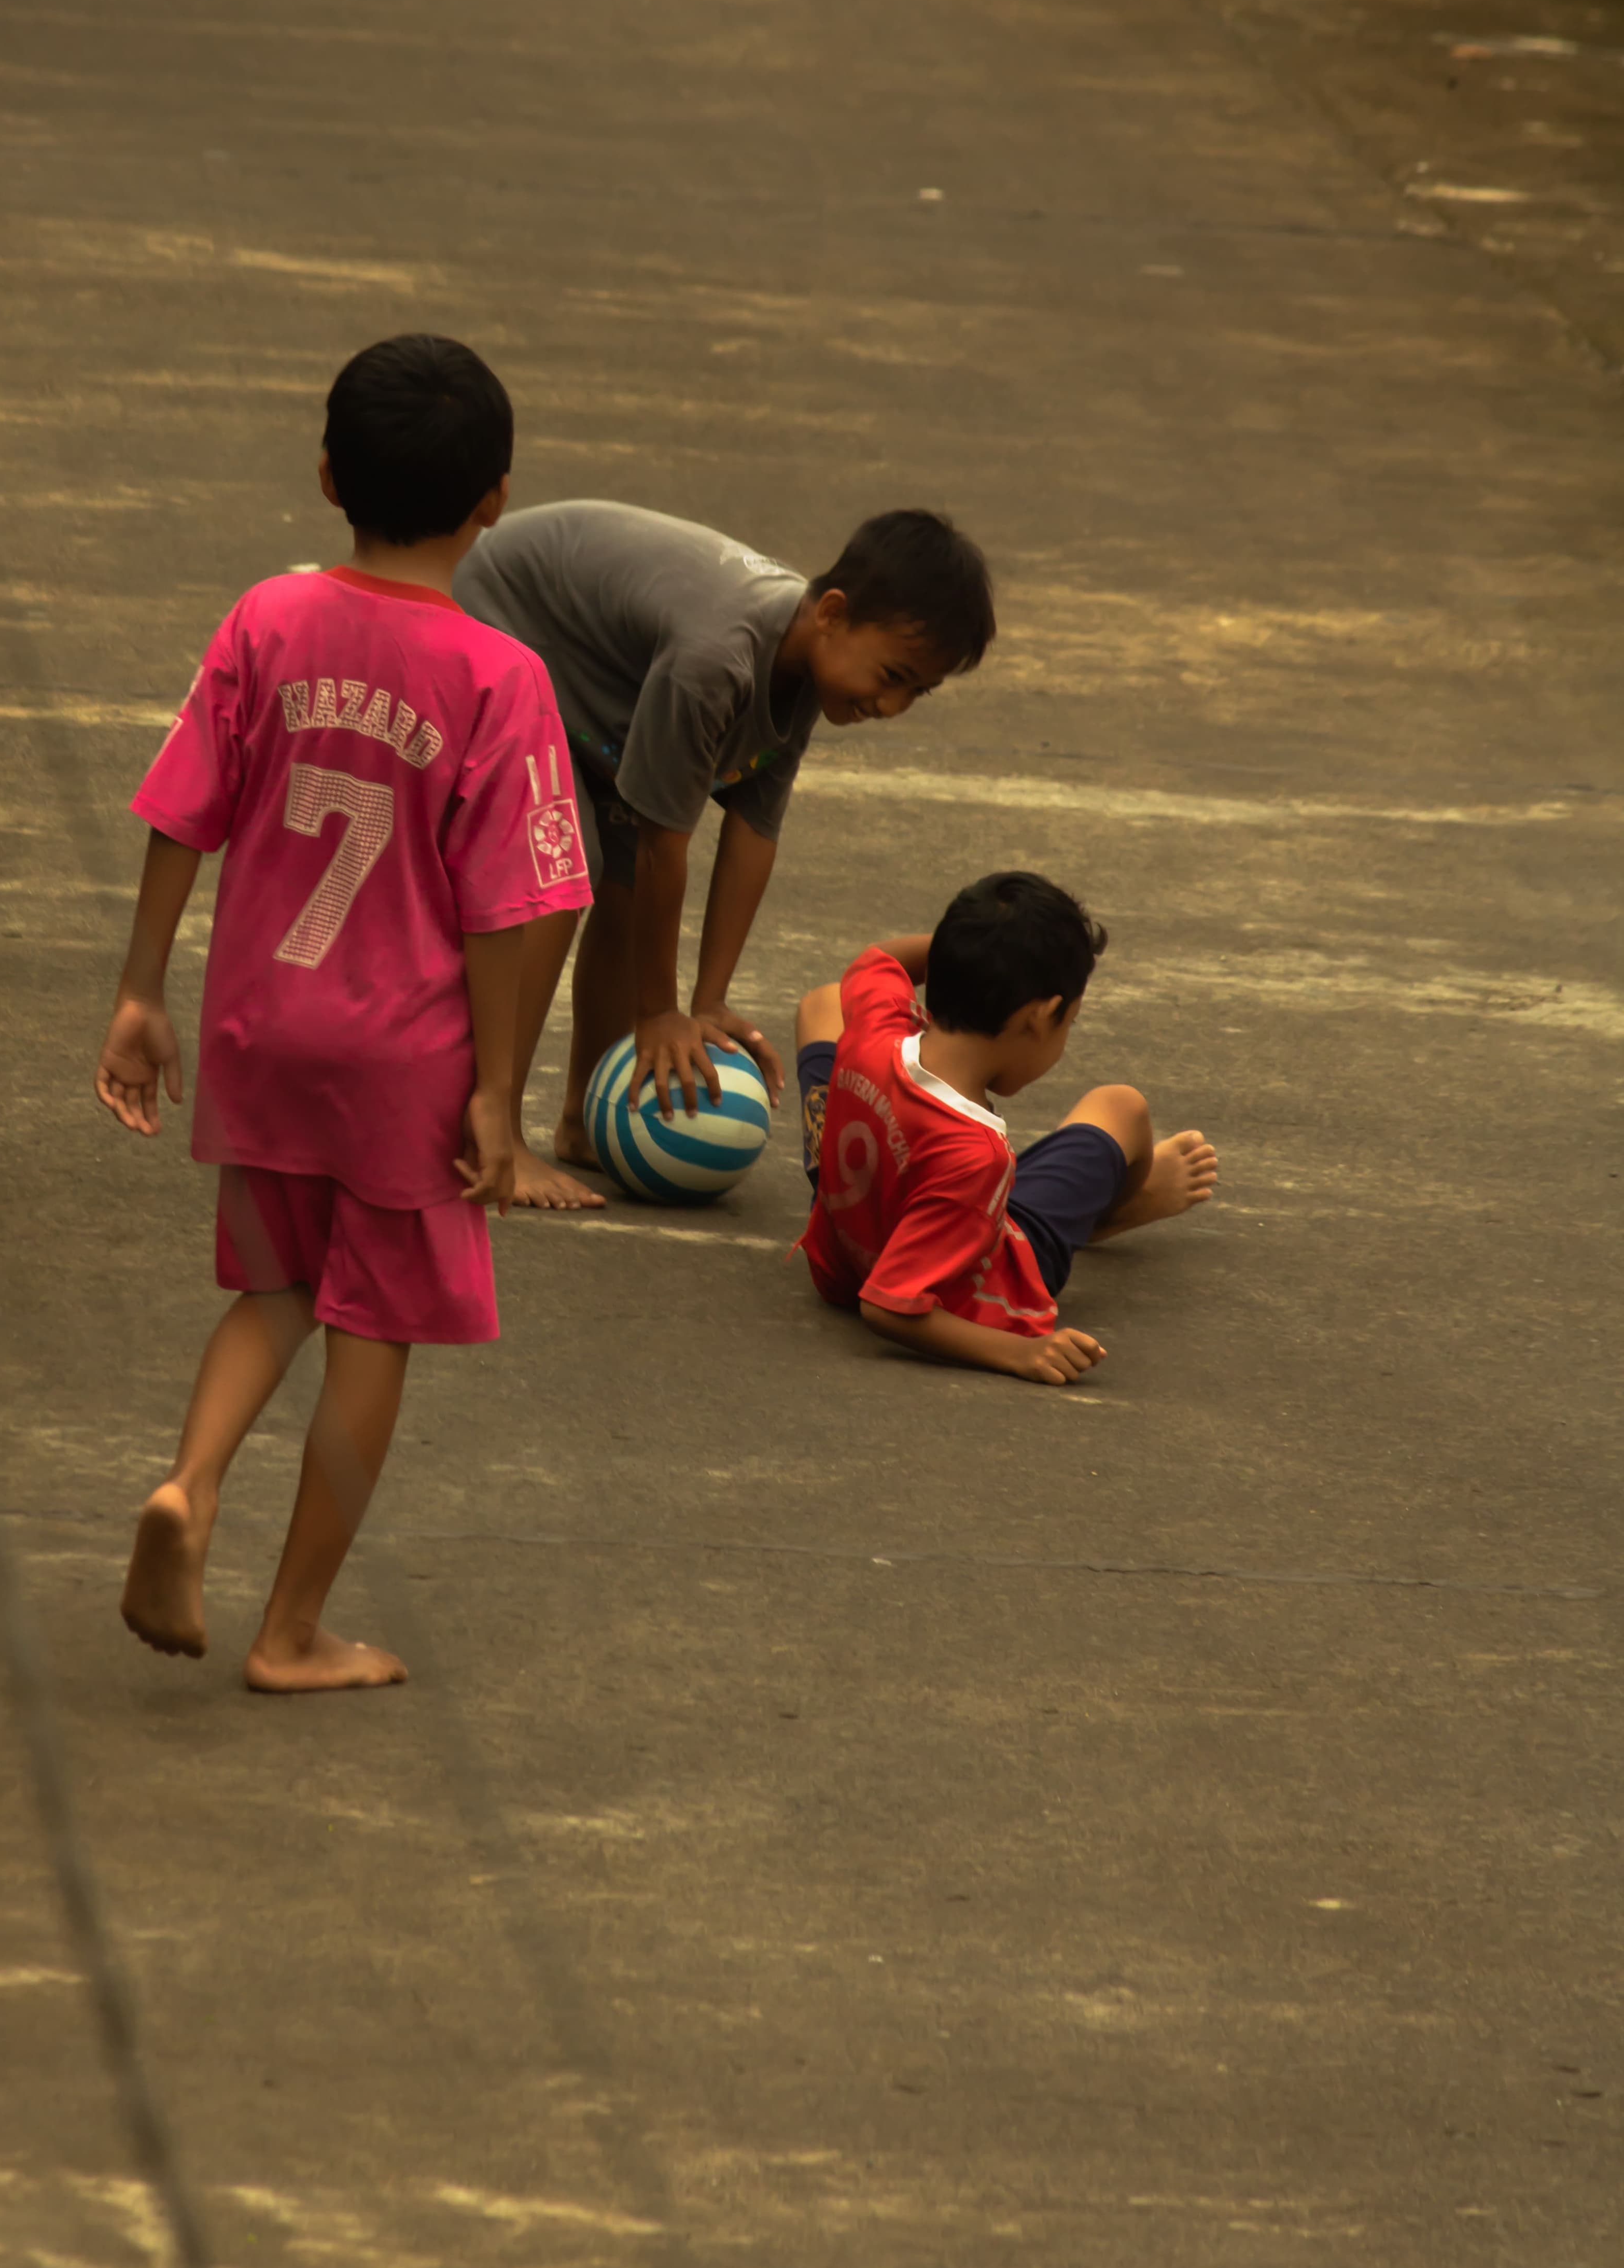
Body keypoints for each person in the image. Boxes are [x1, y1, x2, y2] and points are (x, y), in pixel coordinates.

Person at [93, 337, 591, 1691]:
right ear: (496, 497)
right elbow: (518, 906)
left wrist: (143, 991)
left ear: (327, 476)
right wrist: (495, 1092)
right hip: (403, 1063)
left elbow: (179, 810)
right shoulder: (501, 680)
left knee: (273, 1292)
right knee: (375, 1328)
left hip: (263, 1027)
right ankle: (290, 1630)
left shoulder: (267, 618)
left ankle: (190, 1487)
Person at [453, 500, 995, 1210]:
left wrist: (707, 1002)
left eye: (916, 692)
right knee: (566, 864)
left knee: (617, 886)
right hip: (500, 619)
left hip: (592, 680)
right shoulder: (714, 660)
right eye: (893, 675)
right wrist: (658, 1012)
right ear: (832, 613)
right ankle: (489, 1135)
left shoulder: (801, 669)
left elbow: (753, 832)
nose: (893, 706)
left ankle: (587, 1117)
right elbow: (664, 846)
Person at [794, 872, 1216, 1384]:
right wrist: (1019, 1354)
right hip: (967, 1281)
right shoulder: (977, 1156)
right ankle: (1118, 1210)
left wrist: (967, 954)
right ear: (1042, 1017)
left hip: (844, 1242)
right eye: (1071, 1022)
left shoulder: (879, 1025)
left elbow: (878, 961)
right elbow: (889, 1308)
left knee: (824, 1004)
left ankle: (1096, 1211)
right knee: (1122, 1107)